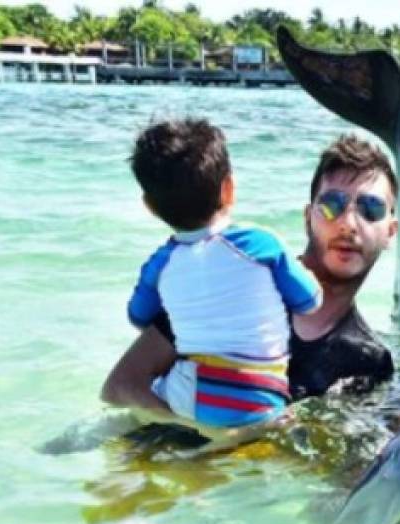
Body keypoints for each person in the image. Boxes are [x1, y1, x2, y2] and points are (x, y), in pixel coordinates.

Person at [102, 133, 398, 428]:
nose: (348, 224)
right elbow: (122, 387)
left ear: (391, 232)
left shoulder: (368, 361)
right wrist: (212, 439)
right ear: (308, 217)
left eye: (370, 209)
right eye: (332, 204)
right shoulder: (234, 283)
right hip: (152, 457)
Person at [126, 118, 322, 429]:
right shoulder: (259, 244)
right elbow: (310, 301)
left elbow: (138, 318)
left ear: (150, 207)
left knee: (134, 399)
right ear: (228, 189)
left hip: (190, 399)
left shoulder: (160, 263)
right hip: (265, 400)